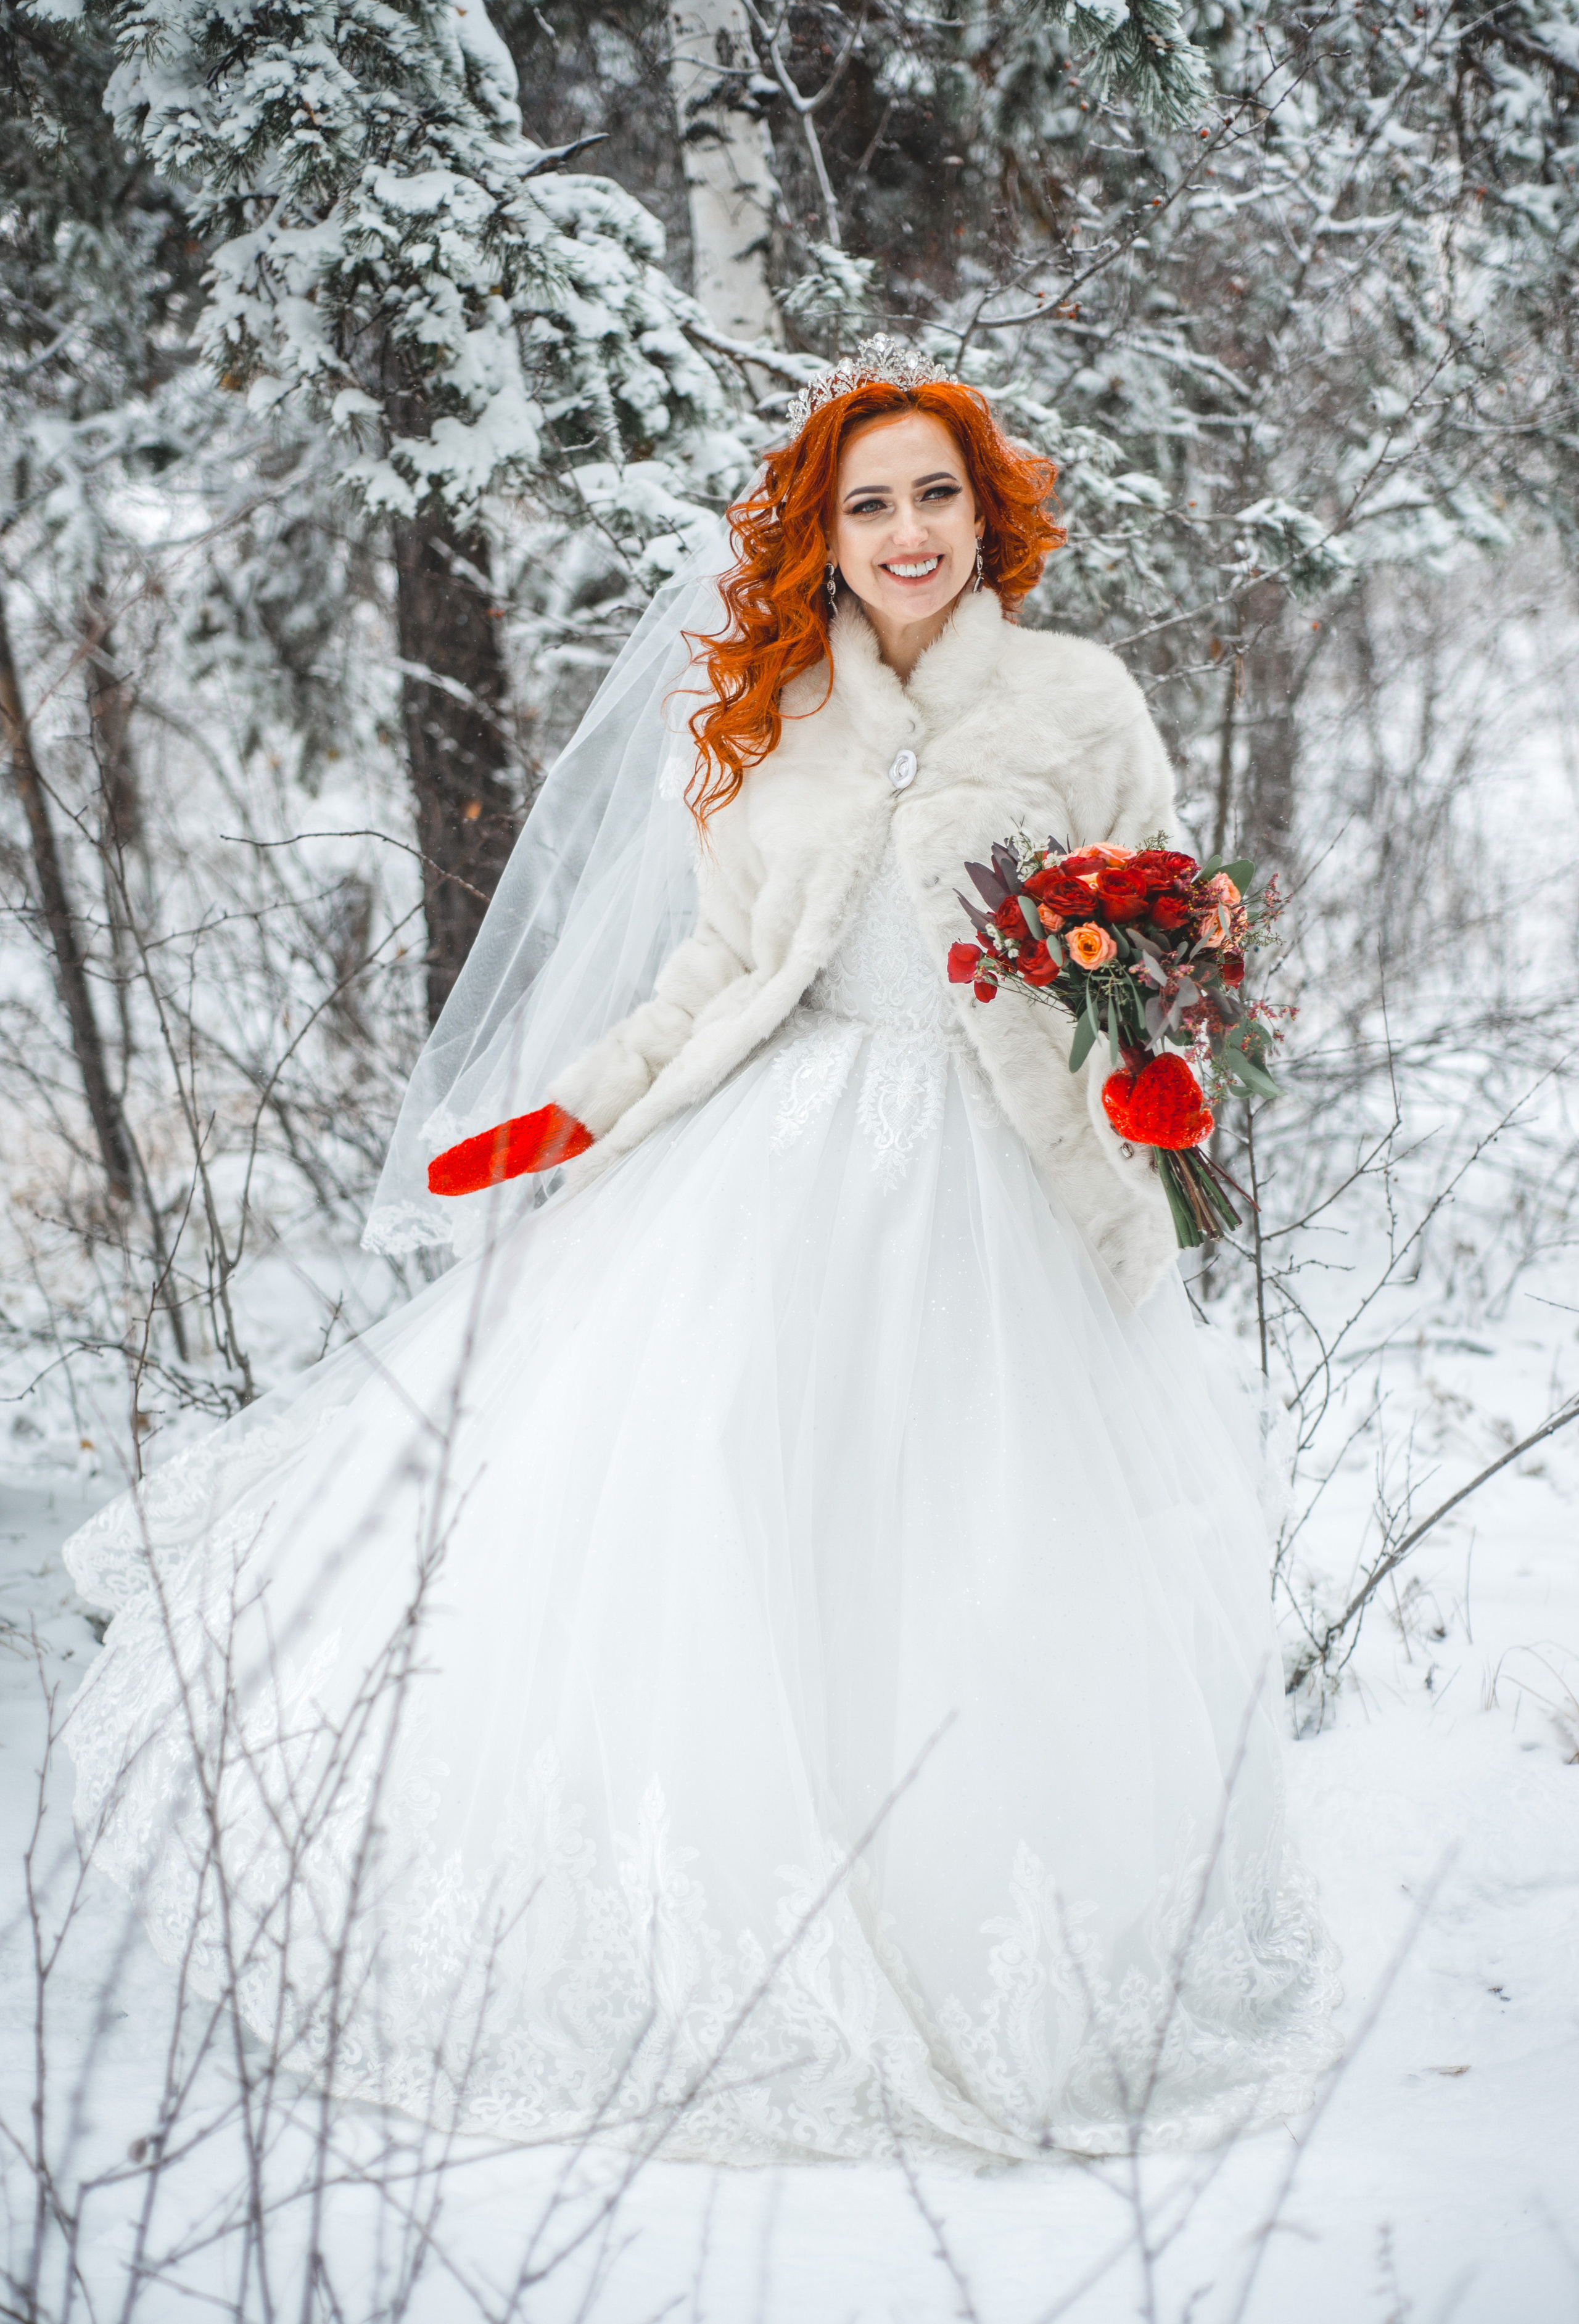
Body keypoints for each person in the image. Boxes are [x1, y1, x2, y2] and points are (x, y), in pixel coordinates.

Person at [62, 340, 1338, 2166]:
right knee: (748, 1516)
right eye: (869, 504)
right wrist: (576, 1109)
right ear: (825, 536)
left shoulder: (1078, 700)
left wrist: (1154, 1045)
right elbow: (722, 968)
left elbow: (1171, 932)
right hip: (788, 1168)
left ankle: (999, 1931)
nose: (907, 531)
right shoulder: (774, 718)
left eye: (937, 494)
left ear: (988, 515)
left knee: (992, 1538)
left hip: (1013, 1193)